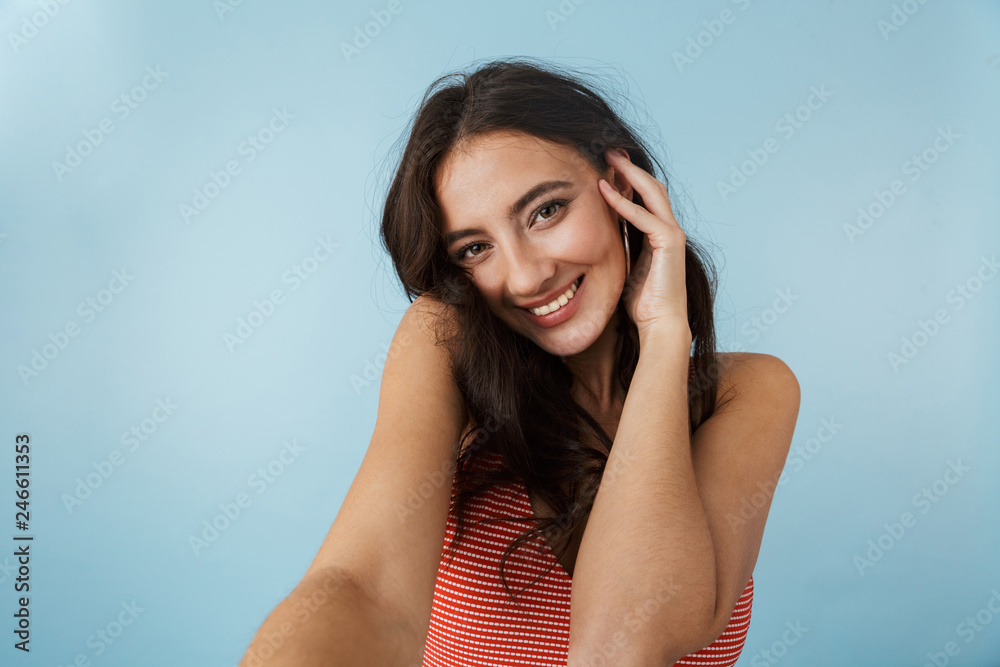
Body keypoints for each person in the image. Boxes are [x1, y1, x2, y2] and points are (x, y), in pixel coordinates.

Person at [240, 57, 801, 667]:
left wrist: (665, 335)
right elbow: (365, 590)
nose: (527, 277)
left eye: (545, 211)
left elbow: (624, 644)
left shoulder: (746, 391)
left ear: (622, 187)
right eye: (476, 248)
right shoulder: (445, 343)